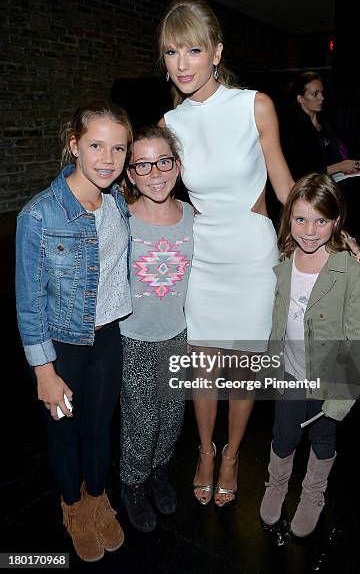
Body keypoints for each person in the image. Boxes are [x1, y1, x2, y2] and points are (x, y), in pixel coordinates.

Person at [157, 0, 295, 507]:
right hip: (204, 256)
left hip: (253, 257)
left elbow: (282, 183)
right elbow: (159, 189)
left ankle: (233, 453)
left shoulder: (254, 104)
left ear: (216, 52)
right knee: (203, 367)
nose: (183, 63)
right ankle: (205, 451)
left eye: (194, 49)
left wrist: (332, 231)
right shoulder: (171, 122)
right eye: (172, 52)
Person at [15, 101, 133, 562]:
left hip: (108, 339)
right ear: (74, 146)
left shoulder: (117, 201)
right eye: (96, 145)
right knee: (64, 435)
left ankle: (98, 495)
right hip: (60, 346)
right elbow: (28, 301)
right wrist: (44, 370)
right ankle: (72, 507)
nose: (107, 158)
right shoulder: (39, 215)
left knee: (100, 429)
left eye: (117, 148)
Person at [259, 173, 360, 537]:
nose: (309, 230)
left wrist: (341, 396)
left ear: (336, 221)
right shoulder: (281, 258)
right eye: (300, 219)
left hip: (328, 381)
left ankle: (313, 494)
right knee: (283, 435)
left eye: (321, 221)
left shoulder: (353, 270)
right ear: (288, 218)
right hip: (289, 374)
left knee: (323, 439)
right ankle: (276, 484)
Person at [119, 126, 193, 531]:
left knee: (172, 413)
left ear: (177, 167)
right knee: (140, 416)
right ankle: (133, 480)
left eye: (163, 161)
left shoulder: (193, 217)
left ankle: (160, 469)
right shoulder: (122, 219)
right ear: (130, 174)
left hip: (177, 333)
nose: (155, 172)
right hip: (134, 338)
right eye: (142, 165)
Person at [280, 71, 360, 180]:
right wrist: (339, 167)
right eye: (315, 94)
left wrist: (349, 165)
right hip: (310, 190)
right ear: (300, 99)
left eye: (321, 92)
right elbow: (299, 171)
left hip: (331, 184)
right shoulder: (293, 129)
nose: (322, 97)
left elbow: (334, 156)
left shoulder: (325, 123)